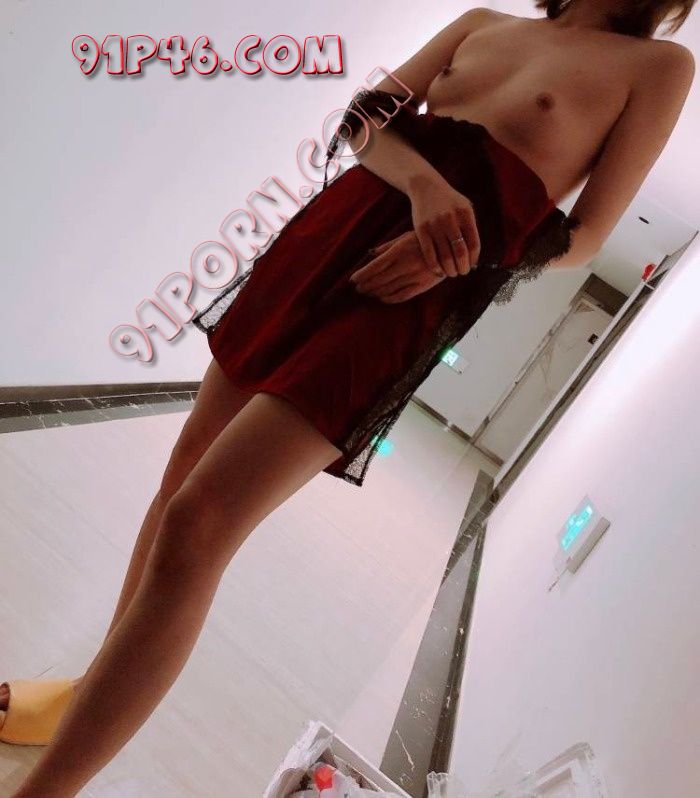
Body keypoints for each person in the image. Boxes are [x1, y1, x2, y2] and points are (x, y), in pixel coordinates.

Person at [1, 0, 694, 794]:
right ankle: (87, 692)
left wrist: (461, 255)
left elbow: (585, 236)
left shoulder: (659, 68)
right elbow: (365, 120)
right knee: (179, 480)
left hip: (409, 294)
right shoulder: (484, 23)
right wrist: (427, 185)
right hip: (324, 239)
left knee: (200, 523)